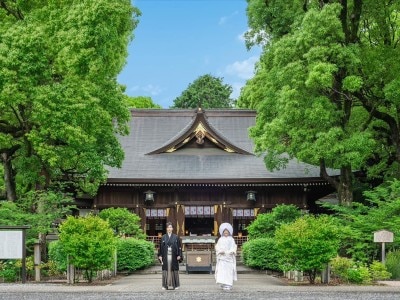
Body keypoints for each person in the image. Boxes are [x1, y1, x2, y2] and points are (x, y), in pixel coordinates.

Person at [158, 222, 182, 290]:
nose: (169, 229)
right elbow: (160, 247)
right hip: (165, 256)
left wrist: (179, 255)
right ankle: (165, 285)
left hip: (174, 256)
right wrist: (160, 255)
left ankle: (176, 285)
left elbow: (179, 247)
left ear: (172, 228)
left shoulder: (176, 237)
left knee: (174, 270)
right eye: (168, 227)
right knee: (165, 270)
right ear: (166, 229)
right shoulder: (163, 237)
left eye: (170, 227)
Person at [214, 222, 237, 290]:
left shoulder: (231, 239)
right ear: (223, 233)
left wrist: (231, 251)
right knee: (222, 271)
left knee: (228, 272)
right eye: (225, 233)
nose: (226, 234)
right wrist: (220, 251)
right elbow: (217, 247)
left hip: (229, 257)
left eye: (227, 233)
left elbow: (234, 247)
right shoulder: (220, 239)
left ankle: (228, 284)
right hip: (222, 257)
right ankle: (223, 283)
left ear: (229, 232)